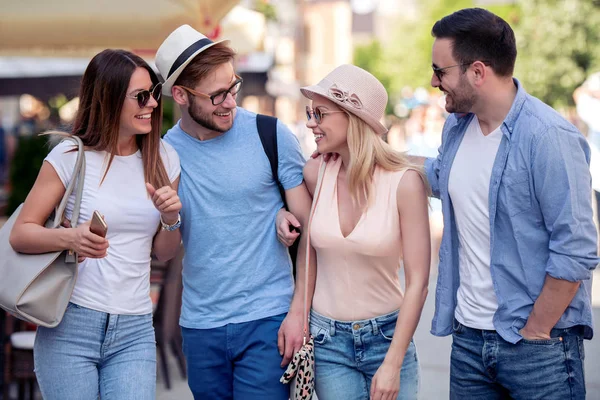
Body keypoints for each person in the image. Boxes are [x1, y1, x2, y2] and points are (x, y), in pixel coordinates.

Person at [417, 8, 596, 399]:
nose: (433, 81)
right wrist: (368, 154)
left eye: (440, 70)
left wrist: (536, 330)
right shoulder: (457, 127)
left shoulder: (548, 137)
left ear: (477, 72)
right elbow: (440, 176)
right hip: (468, 343)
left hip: (538, 350)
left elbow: (577, 248)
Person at [9, 49, 182, 400]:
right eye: (140, 96)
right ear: (108, 97)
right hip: (70, 325)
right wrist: (71, 238)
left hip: (134, 327)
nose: (151, 103)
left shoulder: (163, 158)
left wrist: (169, 219)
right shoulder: (70, 156)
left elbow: (164, 252)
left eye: (153, 92)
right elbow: (20, 233)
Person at [154, 25, 314, 399]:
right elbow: (162, 253)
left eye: (233, 87)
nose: (230, 102)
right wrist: (168, 216)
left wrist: (298, 312)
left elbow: (312, 234)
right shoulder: (164, 154)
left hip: (268, 320)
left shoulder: (271, 135)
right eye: (217, 95)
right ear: (180, 94)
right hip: (199, 327)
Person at [281, 64, 431, 399]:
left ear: (353, 116)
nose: (310, 123)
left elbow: (418, 282)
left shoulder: (404, 183)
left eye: (319, 113)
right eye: (309, 113)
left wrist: (392, 362)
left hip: (388, 340)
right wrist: (280, 214)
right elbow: (308, 245)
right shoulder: (315, 173)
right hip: (327, 343)